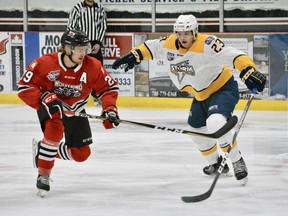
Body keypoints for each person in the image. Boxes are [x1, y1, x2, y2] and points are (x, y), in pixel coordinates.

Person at [112, 15, 266, 185]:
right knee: (195, 129)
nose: (183, 37)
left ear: (195, 32)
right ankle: (215, 163)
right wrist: (135, 54)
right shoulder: (169, 44)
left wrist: (248, 70)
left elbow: (234, 55)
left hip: (222, 89)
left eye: (187, 33)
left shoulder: (208, 44)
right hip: (200, 96)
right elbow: (150, 47)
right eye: (179, 33)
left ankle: (237, 161)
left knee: (215, 123)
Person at [17, 29, 119, 197]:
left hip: (76, 110)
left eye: (85, 48)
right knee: (54, 131)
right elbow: (24, 87)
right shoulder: (45, 63)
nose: (83, 52)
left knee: (81, 154)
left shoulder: (93, 66)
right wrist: (44, 98)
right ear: (67, 48)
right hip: (52, 109)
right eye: (79, 49)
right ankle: (43, 174)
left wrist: (109, 109)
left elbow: (108, 88)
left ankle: (43, 152)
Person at [67, 0, 107, 106]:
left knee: (98, 70)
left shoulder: (100, 8)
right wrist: (80, 43)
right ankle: (75, 95)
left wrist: (98, 42)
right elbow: (71, 27)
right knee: (78, 70)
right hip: (81, 43)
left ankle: (96, 95)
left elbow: (103, 26)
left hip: (95, 44)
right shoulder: (77, 8)